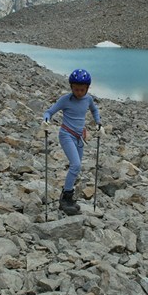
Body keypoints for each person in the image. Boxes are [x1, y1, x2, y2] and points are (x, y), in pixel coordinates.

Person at [42, 68, 105, 215]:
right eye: (76, 89)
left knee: (76, 168)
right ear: (71, 87)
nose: (79, 93)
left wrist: (98, 123)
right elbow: (49, 111)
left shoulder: (88, 99)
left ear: (87, 88)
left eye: (82, 90)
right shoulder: (66, 99)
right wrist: (46, 120)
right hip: (66, 135)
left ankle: (68, 198)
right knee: (75, 165)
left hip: (79, 137)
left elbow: (94, 110)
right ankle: (65, 199)